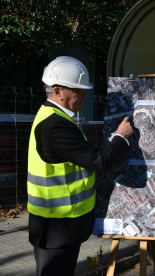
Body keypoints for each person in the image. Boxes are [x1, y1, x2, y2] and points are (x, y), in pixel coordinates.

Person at [27, 56, 133, 276]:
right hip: (57, 230)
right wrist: (120, 138)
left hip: (58, 227)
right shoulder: (56, 126)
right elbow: (100, 162)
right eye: (79, 90)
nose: (84, 95)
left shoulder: (52, 117)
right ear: (58, 91)